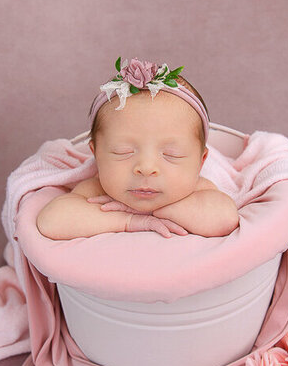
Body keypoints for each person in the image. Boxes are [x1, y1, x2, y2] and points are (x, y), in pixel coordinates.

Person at [36, 57, 240, 240]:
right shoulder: (96, 189)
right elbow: (51, 221)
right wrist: (130, 221)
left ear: (200, 161)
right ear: (96, 154)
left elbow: (224, 219)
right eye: (122, 151)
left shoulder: (198, 189)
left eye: (171, 154)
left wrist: (154, 210)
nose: (146, 167)